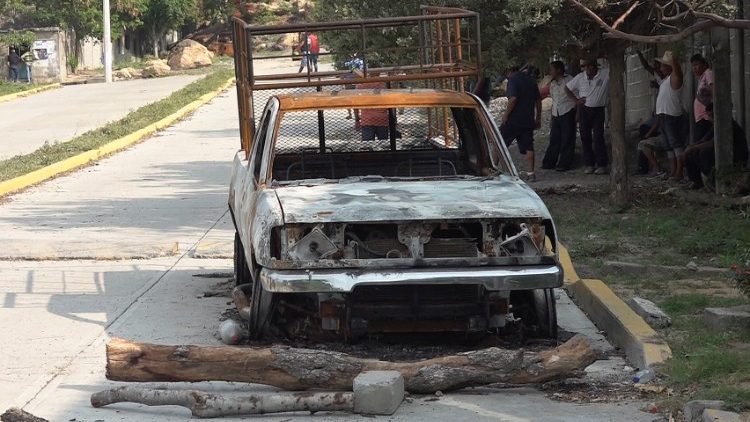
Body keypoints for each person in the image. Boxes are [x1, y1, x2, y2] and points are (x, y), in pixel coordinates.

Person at [682, 104, 748, 190]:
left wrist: (693, 148)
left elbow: (713, 143)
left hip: (735, 158)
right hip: (722, 155)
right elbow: (704, 139)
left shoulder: (728, 125)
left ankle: (714, 181)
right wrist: (690, 148)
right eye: (709, 115)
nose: (710, 118)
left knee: (704, 153)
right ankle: (697, 182)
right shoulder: (715, 125)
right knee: (692, 154)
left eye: (712, 115)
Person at [565, 57, 610, 175]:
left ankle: (601, 164)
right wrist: (576, 100)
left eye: (589, 66)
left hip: (598, 110)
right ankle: (589, 164)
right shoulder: (580, 77)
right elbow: (567, 88)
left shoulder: (604, 74)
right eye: (585, 66)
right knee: (585, 137)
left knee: (599, 137)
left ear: (595, 66)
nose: (587, 69)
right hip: (584, 109)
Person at [647, 51, 687, 180]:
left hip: (671, 115)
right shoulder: (665, 80)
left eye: (664, 65)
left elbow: (678, 72)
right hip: (663, 116)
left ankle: (679, 171)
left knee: (675, 143)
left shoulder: (675, 78)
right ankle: (673, 170)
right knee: (668, 145)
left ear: (671, 67)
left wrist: (674, 61)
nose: (661, 68)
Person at [500, 65, 542, 181]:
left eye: (506, 75)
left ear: (509, 71)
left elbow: (513, 99)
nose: (506, 77)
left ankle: (492, 170)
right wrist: (538, 117)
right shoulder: (531, 80)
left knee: (499, 143)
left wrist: (505, 115)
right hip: (527, 119)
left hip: (513, 119)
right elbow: (538, 100)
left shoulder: (513, 81)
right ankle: (531, 173)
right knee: (529, 146)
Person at [542, 61, 576, 171]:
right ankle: (549, 162)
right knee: (554, 139)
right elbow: (554, 100)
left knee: (567, 138)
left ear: (559, 70)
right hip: (556, 113)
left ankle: (564, 163)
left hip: (568, 111)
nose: (550, 72)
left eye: (552, 69)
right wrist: (552, 117)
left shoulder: (570, 80)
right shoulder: (552, 84)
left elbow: (576, 97)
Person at [354, 69, 389, 141]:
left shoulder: (361, 86)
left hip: (367, 120)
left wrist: (357, 119)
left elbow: (355, 104)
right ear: (379, 72)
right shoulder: (383, 85)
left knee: (368, 145)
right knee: (384, 144)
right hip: (382, 119)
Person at [690, 54, 713, 145]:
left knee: (700, 145)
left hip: (705, 118)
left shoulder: (708, 73)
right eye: (692, 66)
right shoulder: (701, 77)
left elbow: (713, 88)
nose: (694, 68)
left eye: (696, 65)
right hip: (700, 118)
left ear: (704, 64)